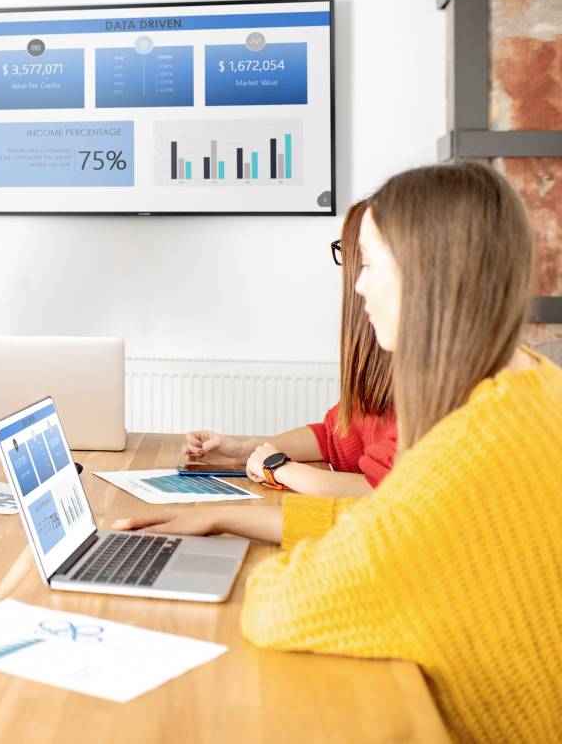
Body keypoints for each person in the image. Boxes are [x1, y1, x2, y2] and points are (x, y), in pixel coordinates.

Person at [114, 162, 562, 742]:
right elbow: (393, 520)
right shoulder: (535, 389)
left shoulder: (468, 455)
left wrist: (241, 516)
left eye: (370, 265)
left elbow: (282, 605)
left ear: (428, 274)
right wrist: (224, 514)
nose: (357, 287)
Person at [182, 201, 396, 496]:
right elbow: (333, 437)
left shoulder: (429, 389)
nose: (356, 284)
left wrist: (279, 467)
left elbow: (386, 492)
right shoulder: (383, 370)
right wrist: (244, 451)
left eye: (364, 261)